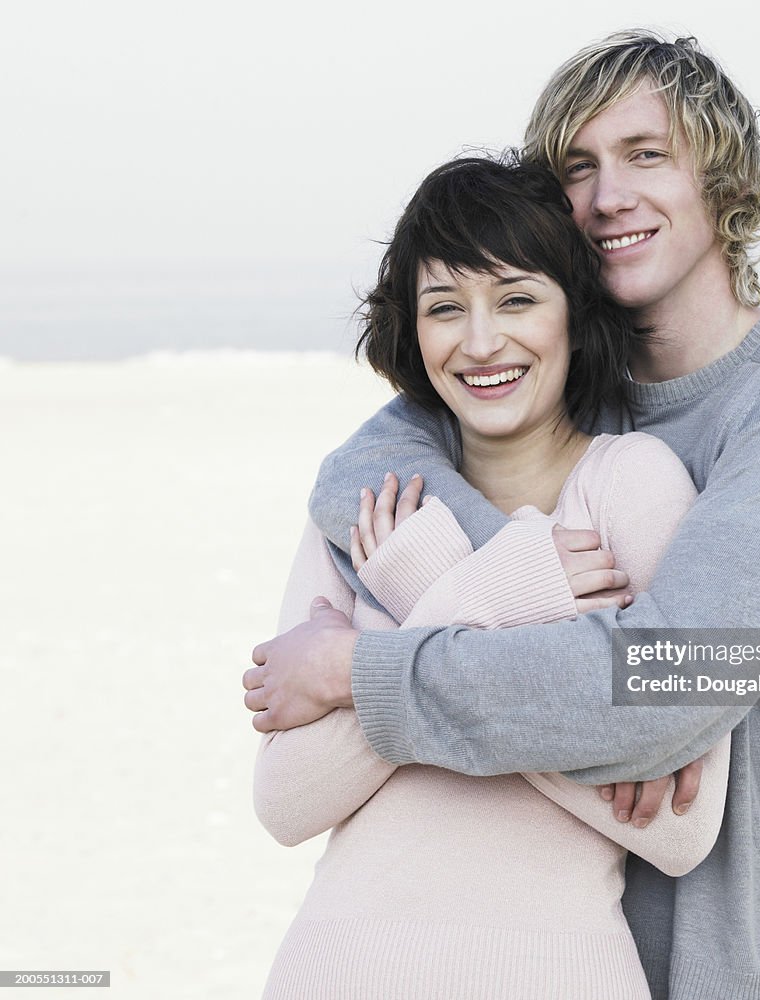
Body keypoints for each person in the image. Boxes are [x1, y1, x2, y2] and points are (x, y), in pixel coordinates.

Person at [244, 30, 760, 1000]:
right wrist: (555, 655)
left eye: (644, 154)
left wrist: (364, 657)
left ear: (723, 177)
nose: (605, 196)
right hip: (570, 937)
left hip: (733, 945)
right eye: (577, 167)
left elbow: (667, 685)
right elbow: (359, 471)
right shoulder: (562, 387)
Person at [253, 154, 731, 999]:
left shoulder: (633, 485)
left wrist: (384, 643)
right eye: (444, 308)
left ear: (574, 314)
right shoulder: (377, 502)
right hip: (337, 971)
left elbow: (681, 828)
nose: (480, 342)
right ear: (412, 330)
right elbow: (286, 803)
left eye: (516, 299)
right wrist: (485, 602)